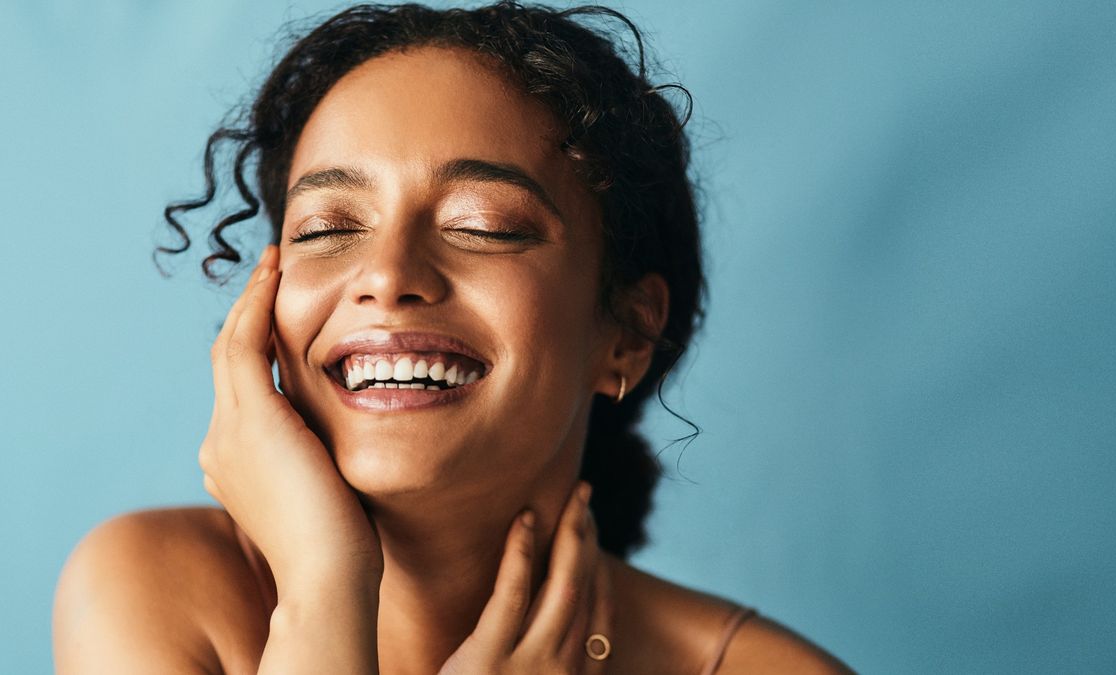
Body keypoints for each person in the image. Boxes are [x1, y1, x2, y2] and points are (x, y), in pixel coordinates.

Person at [52, 3, 852, 673]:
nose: (388, 273)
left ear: (628, 335)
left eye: (484, 226)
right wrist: (325, 588)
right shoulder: (150, 587)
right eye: (328, 227)